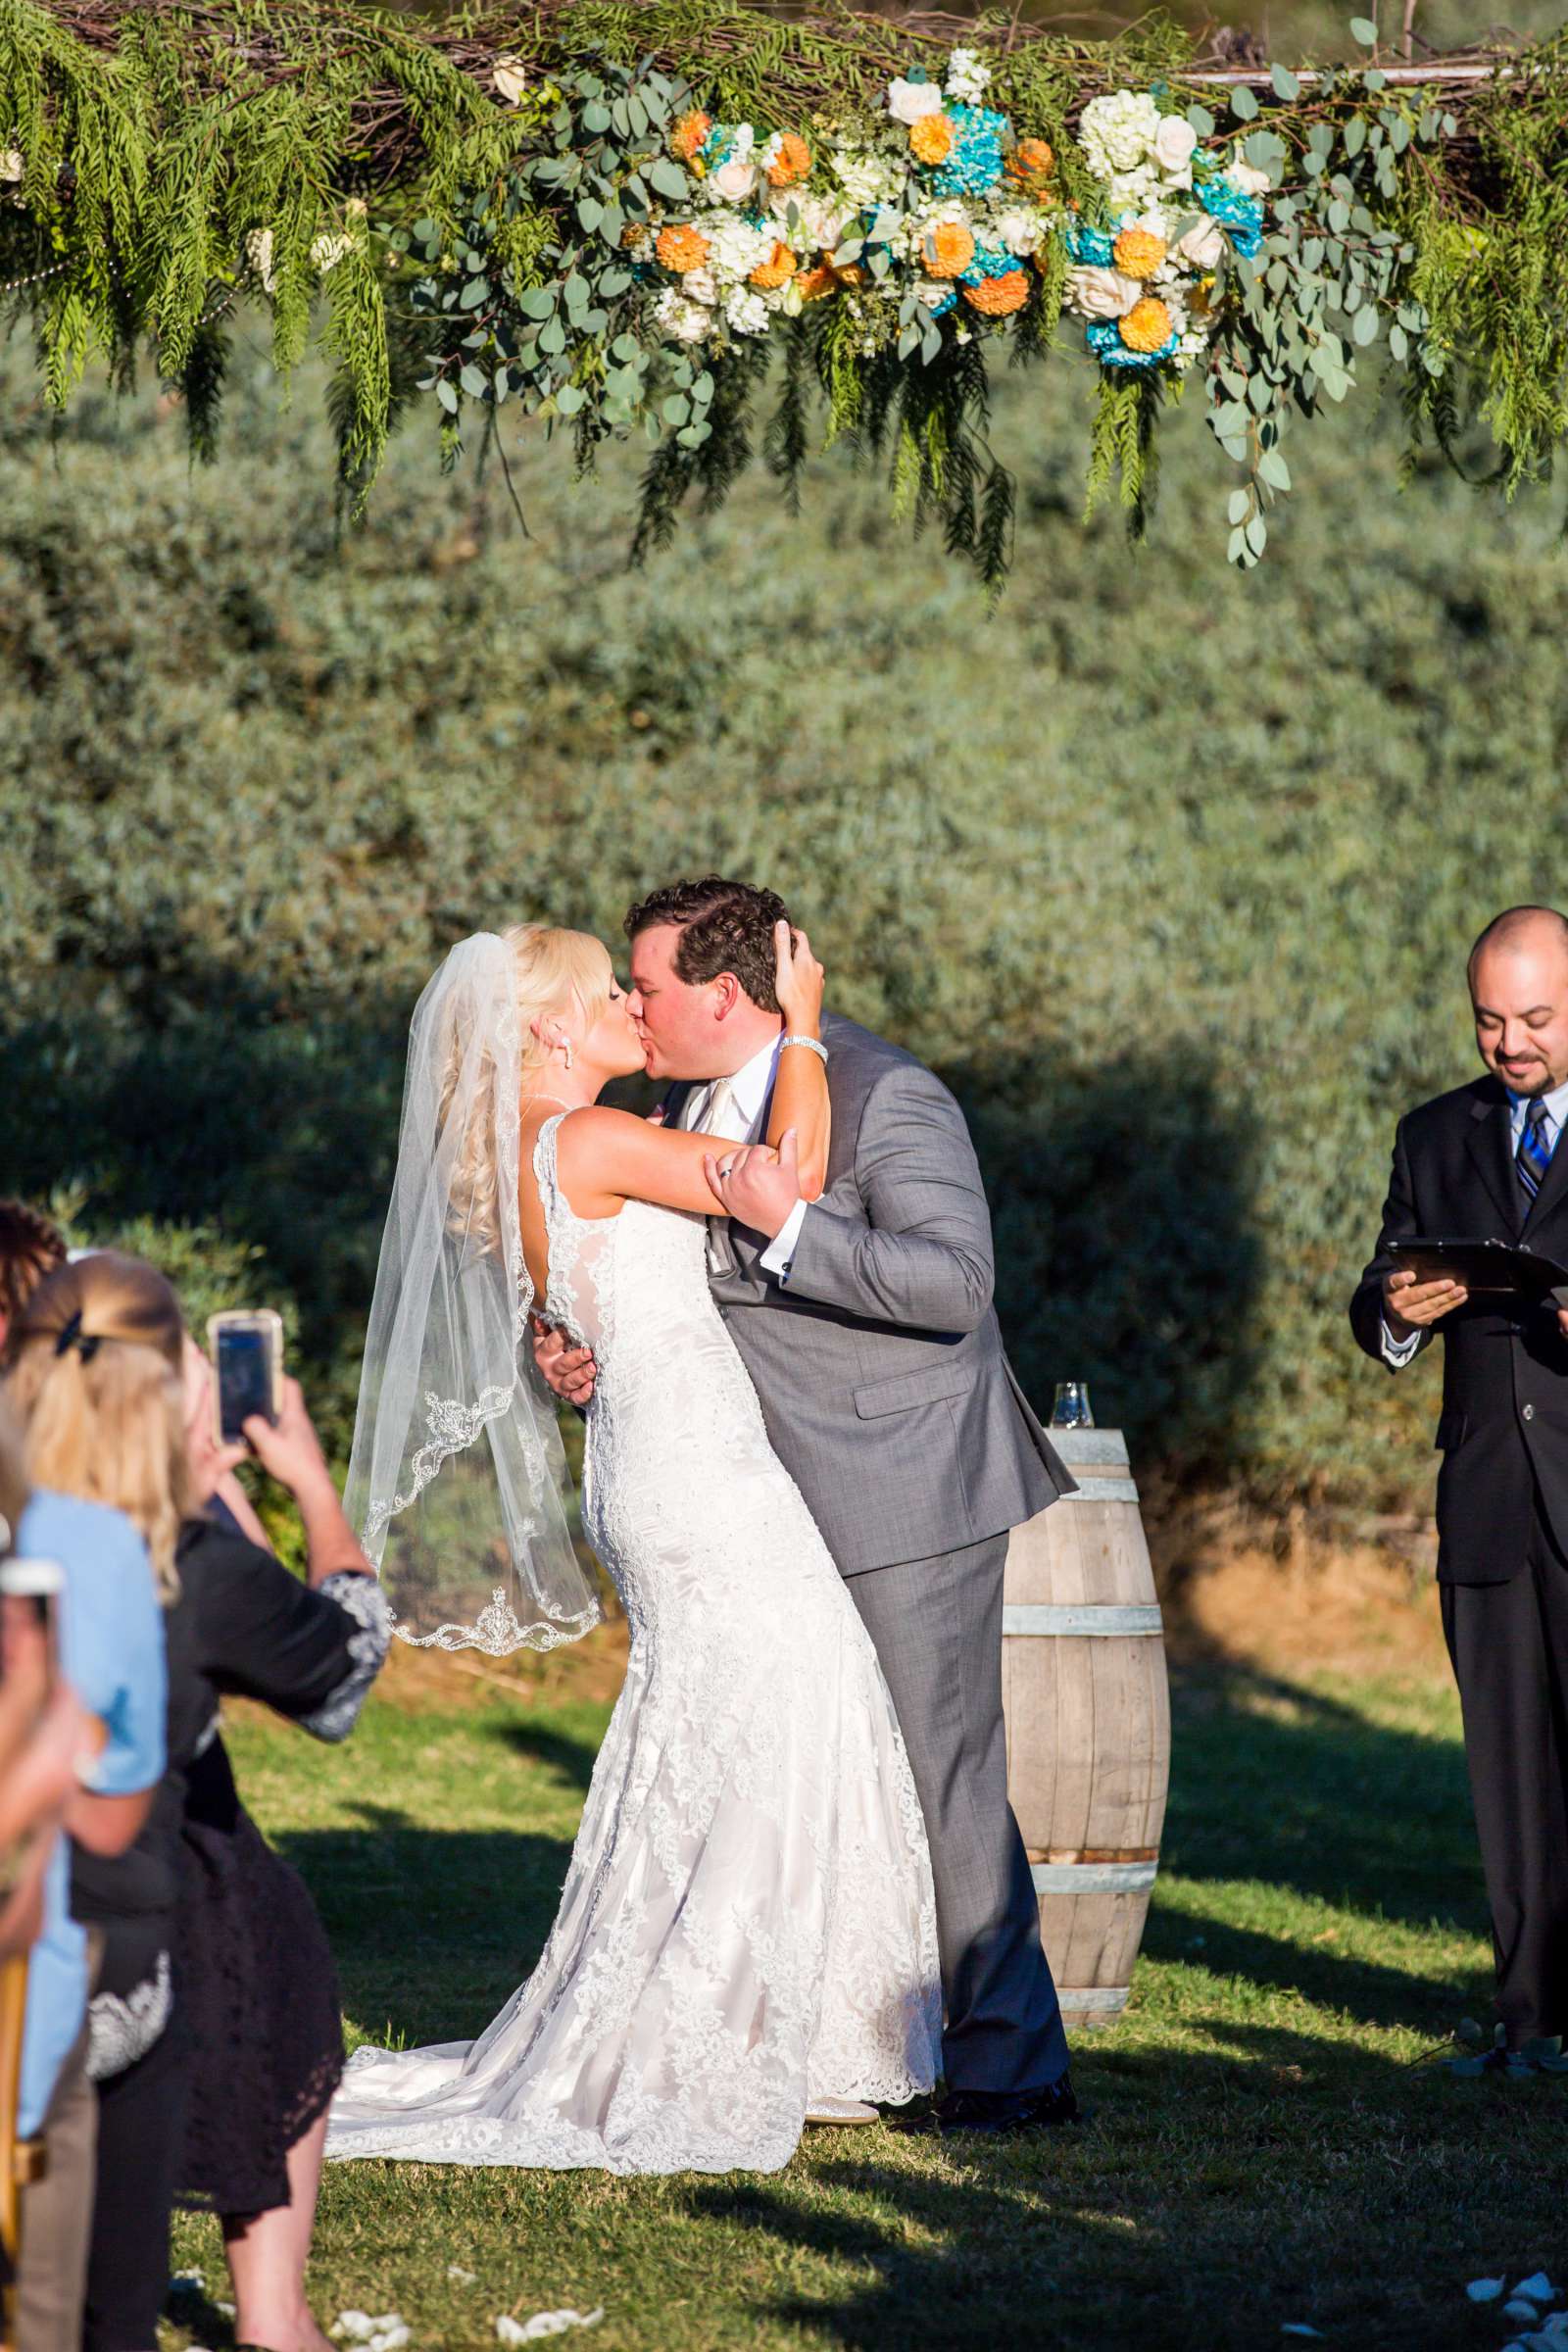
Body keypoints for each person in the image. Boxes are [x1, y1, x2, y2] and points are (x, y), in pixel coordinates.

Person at [328, 918, 941, 2175]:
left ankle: (790, 2025)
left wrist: (572, 1352)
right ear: (548, 1026)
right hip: (693, 1473)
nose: (628, 1005)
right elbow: (788, 1184)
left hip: (647, 1457)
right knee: (785, 1706)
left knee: (724, 1721)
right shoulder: (589, 1134)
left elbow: (593, 1309)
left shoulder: (518, 1151)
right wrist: (808, 1021)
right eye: (605, 992)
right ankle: (746, 2034)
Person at [535, 877, 1079, 2138]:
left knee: (944, 1777)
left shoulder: (891, 1095)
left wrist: (791, 1233)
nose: (634, 1005)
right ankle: (858, 2034)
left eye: (650, 985)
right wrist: (580, 1351)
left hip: (902, 1480)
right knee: (839, 1775)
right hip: (755, 1497)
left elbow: (952, 1284)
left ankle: (1013, 2072)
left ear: (724, 995)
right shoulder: (661, 1107)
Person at [6, 1251, 390, 2352]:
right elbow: (337, 1674)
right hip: (106, 1982)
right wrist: (306, 1478)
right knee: (101, 2313)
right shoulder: (179, 1565)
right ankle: (272, 2316)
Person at [1350, 904, 1568, 2066]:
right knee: (1508, 1772)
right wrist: (1392, 1312)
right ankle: (1531, 2022)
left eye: (1534, 1018)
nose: (1509, 1044)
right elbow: (1375, 1282)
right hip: (1486, 1497)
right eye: (1490, 1021)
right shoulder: (1433, 1134)